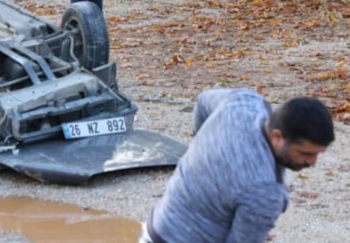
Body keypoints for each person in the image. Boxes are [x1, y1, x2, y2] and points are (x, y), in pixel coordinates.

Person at [140, 88, 335, 243]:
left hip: (156, 228)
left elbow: (202, 102)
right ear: (277, 136)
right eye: (305, 153)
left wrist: (199, 147)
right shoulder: (266, 191)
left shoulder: (243, 102)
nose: (312, 162)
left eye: (317, 154)